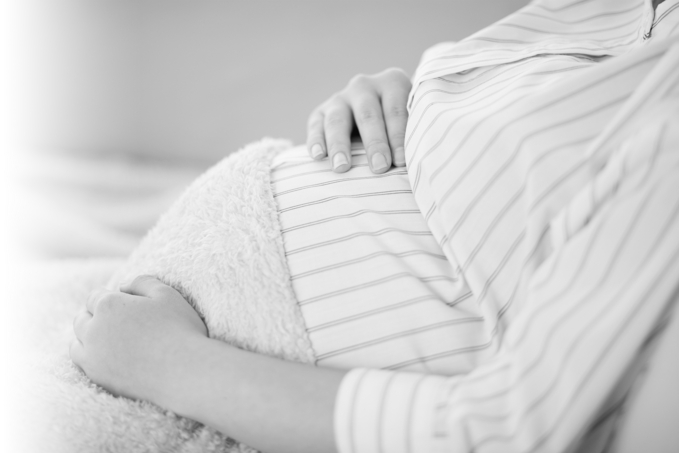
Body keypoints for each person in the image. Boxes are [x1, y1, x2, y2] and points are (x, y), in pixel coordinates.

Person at [70, 0, 679, 452]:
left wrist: (174, 364)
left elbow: (516, 431)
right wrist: (412, 107)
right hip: (141, 340)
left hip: (193, 381)